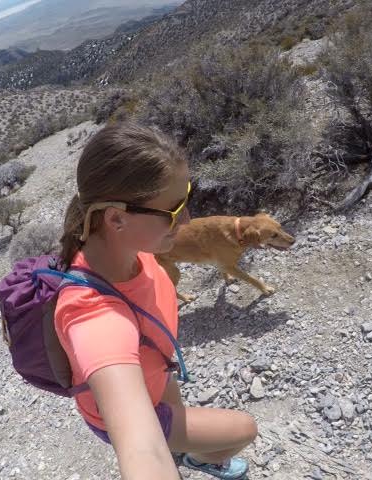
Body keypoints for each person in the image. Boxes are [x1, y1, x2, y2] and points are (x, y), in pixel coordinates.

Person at [54, 122, 257, 480]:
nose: (190, 220)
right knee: (243, 429)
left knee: (174, 433)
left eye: (187, 197)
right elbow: (141, 449)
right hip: (132, 400)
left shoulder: (130, 248)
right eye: (175, 211)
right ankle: (200, 460)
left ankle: (186, 454)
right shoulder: (95, 317)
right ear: (116, 218)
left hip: (157, 374)